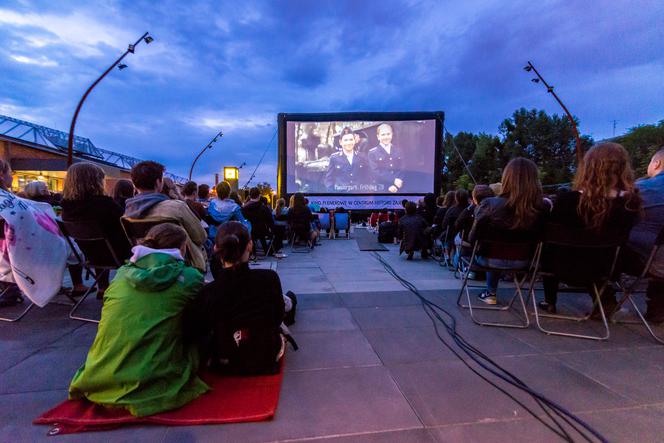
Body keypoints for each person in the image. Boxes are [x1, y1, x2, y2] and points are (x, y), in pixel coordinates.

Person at [69, 223, 208, 417]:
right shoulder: (190, 277)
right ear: (182, 249)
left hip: (100, 374)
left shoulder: (121, 275)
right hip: (156, 377)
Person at [538, 143, 641, 315]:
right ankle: (603, 301)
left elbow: (548, 237)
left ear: (587, 168)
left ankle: (550, 301)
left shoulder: (567, 201)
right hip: (607, 270)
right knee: (601, 252)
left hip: (562, 268)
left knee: (552, 249)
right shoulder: (630, 204)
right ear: (623, 168)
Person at [186, 221, 296, 375]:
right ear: (250, 245)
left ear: (216, 248)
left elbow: (196, 330)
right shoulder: (268, 278)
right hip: (265, 356)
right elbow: (277, 317)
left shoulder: (209, 292)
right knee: (290, 300)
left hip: (226, 360)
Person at [470, 158, 550, 305]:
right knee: (499, 249)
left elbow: (473, 237)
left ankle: (491, 293)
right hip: (524, 262)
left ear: (506, 178)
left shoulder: (489, 204)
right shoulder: (543, 208)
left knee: (493, 249)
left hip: (489, 260)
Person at [61, 163, 132, 297]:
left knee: (100, 244)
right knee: (110, 242)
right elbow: (125, 224)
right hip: (118, 255)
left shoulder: (66, 208)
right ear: (95, 182)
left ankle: (103, 287)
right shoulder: (105, 204)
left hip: (88, 255)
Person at [124, 161, 207, 272]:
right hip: (182, 265)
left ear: (134, 184)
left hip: (146, 265)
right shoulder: (177, 207)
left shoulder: (127, 214)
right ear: (159, 182)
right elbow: (200, 237)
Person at [622, 147, 664, 321]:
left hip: (648, 261)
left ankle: (604, 299)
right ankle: (658, 307)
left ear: (657, 163)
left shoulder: (640, 189)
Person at [325, 127, 369, 192]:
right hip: (341, 197)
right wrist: (333, 196)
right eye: (345, 140)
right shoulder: (334, 158)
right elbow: (329, 180)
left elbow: (367, 178)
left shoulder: (362, 157)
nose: (348, 143)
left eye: (351, 140)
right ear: (340, 142)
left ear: (355, 141)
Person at [242, 187, 282, 254]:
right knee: (278, 232)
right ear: (259, 195)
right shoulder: (264, 208)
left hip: (249, 231)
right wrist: (273, 230)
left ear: (249, 195)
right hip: (262, 231)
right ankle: (269, 250)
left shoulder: (244, 208)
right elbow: (270, 221)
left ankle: (253, 251)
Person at [368, 123, 404, 193]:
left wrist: (396, 185)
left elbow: (402, 168)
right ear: (378, 137)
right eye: (383, 135)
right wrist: (393, 180)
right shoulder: (372, 153)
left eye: (388, 134)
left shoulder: (398, 150)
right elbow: (375, 171)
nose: (386, 137)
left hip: (398, 187)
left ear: (392, 135)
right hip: (382, 189)